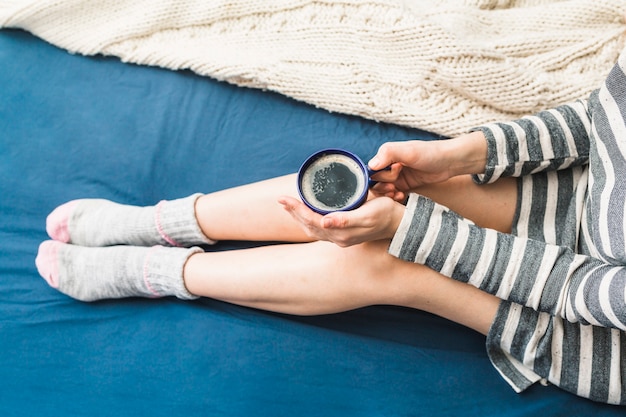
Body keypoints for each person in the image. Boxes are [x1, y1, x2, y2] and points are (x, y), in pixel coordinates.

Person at [35, 50, 626, 405]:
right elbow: (602, 123)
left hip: (597, 330)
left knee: (382, 260)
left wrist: (410, 230)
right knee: (364, 188)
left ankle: (159, 271)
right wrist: (463, 155)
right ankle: (160, 223)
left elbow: (586, 292)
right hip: (582, 199)